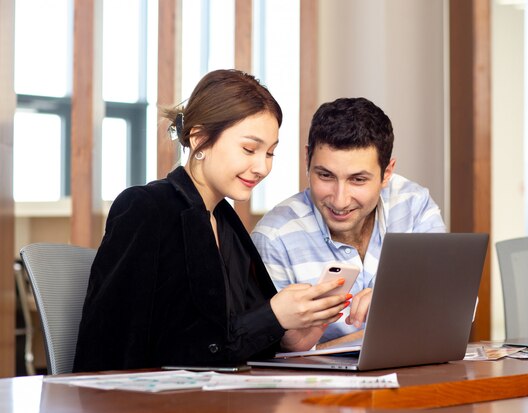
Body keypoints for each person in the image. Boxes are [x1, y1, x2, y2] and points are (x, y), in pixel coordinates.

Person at [73, 69, 351, 372]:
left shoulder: (225, 222)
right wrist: (272, 316)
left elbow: (232, 339)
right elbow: (126, 347)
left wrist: (289, 338)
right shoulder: (146, 208)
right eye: (249, 149)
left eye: (270, 153)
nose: (261, 167)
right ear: (199, 138)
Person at [251, 97, 446, 346]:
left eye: (358, 180)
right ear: (307, 159)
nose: (340, 200)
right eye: (325, 175)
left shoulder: (413, 205)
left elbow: (458, 307)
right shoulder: (273, 238)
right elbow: (275, 350)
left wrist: (395, 301)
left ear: (387, 172)